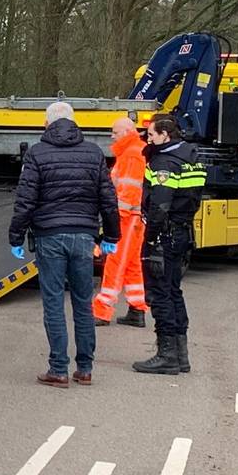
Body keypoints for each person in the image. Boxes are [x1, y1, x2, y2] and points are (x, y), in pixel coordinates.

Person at [9, 102, 121, 388]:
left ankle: (58, 368)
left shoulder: (37, 153)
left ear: (47, 125)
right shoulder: (93, 153)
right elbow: (108, 199)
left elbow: (25, 201)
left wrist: (16, 236)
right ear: (74, 123)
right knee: (83, 303)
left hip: (49, 236)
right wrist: (111, 236)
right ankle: (85, 368)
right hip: (84, 236)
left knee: (54, 302)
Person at [132, 114, 205, 375]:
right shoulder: (193, 157)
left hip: (164, 236)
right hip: (183, 232)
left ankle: (167, 355)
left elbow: (160, 205)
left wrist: (150, 237)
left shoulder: (164, 162)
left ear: (165, 134)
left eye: (151, 135)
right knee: (174, 292)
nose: (148, 139)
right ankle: (181, 355)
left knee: (160, 293)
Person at [93, 117, 149, 328]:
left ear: (126, 131)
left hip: (127, 219)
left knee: (114, 264)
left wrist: (113, 223)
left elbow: (128, 192)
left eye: (115, 132)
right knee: (132, 265)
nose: (111, 136)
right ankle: (137, 309)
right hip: (133, 219)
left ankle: (102, 311)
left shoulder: (132, 154)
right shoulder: (132, 151)